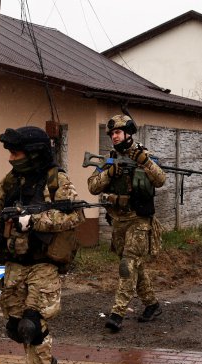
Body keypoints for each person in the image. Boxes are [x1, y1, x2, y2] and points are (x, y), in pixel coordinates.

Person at [0, 126, 84, 364]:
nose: (10, 158)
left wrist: (35, 221)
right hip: (15, 263)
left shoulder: (56, 180)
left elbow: (75, 215)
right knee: (14, 326)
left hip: (44, 263)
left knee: (32, 324)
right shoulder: (10, 182)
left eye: (16, 152)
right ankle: (44, 359)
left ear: (33, 153)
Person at [87, 114, 167, 333]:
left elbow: (160, 180)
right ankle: (152, 304)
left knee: (127, 264)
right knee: (135, 265)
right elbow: (93, 186)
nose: (114, 136)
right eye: (112, 133)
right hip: (119, 221)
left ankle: (117, 313)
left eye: (118, 132)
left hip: (139, 220)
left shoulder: (144, 156)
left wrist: (145, 162)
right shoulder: (110, 159)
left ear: (129, 133)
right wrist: (110, 173)